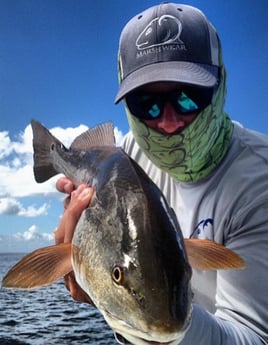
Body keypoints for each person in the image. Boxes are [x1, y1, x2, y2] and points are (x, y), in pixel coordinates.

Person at [54, 3, 268, 345]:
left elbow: (255, 337)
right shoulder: (131, 151)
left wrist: (145, 317)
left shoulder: (260, 183)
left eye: (189, 97)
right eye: (145, 104)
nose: (168, 123)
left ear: (221, 84)